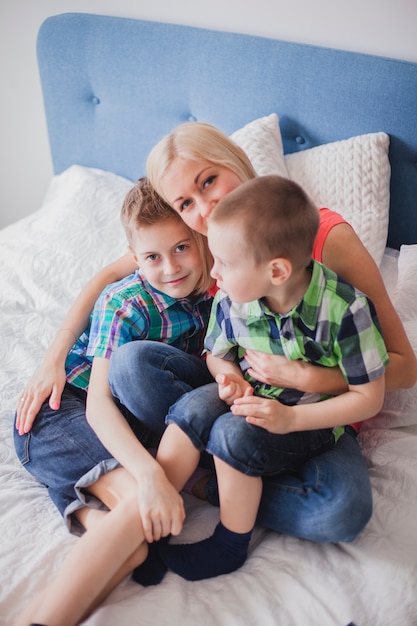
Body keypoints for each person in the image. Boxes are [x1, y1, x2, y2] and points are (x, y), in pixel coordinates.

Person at [17, 121, 417, 545]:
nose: (204, 210)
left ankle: (212, 479)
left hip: (319, 412)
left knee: (339, 513)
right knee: (131, 364)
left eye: (208, 181)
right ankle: (213, 472)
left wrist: (309, 378)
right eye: (185, 203)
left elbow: (405, 366)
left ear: (235, 163)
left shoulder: (321, 236)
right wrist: (53, 358)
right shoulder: (195, 241)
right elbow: (110, 277)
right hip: (234, 393)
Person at [151, 174, 388, 581]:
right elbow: (218, 355)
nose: (214, 271)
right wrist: (228, 378)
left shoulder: (346, 311)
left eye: (224, 262)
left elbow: (369, 398)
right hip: (252, 401)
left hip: (313, 419)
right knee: (196, 407)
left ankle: (229, 540)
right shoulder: (232, 300)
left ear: (276, 270)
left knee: (233, 436)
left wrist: (291, 419)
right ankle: (154, 513)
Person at [13, 178, 214, 626]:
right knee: (138, 510)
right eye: (152, 257)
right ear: (135, 258)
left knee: (135, 547)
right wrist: (150, 475)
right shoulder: (125, 302)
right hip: (61, 415)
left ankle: (78, 506)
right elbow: (98, 403)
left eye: (182, 247)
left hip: (124, 429)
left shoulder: (211, 291)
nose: (170, 267)